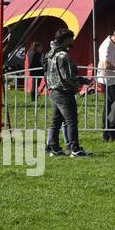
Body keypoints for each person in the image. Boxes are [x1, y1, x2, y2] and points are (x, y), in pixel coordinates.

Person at [45, 28, 91, 157]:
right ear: (66, 40)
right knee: (71, 121)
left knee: (56, 122)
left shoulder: (51, 53)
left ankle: (54, 148)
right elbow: (67, 77)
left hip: (53, 91)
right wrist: (82, 80)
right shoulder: (63, 55)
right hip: (64, 92)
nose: (73, 41)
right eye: (71, 38)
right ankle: (74, 149)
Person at [97, 27, 115, 141]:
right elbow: (106, 65)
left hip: (113, 79)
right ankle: (109, 133)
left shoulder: (114, 44)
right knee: (111, 107)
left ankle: (111, 133)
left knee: (111, 107)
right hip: (107, 80)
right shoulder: (107, 46)